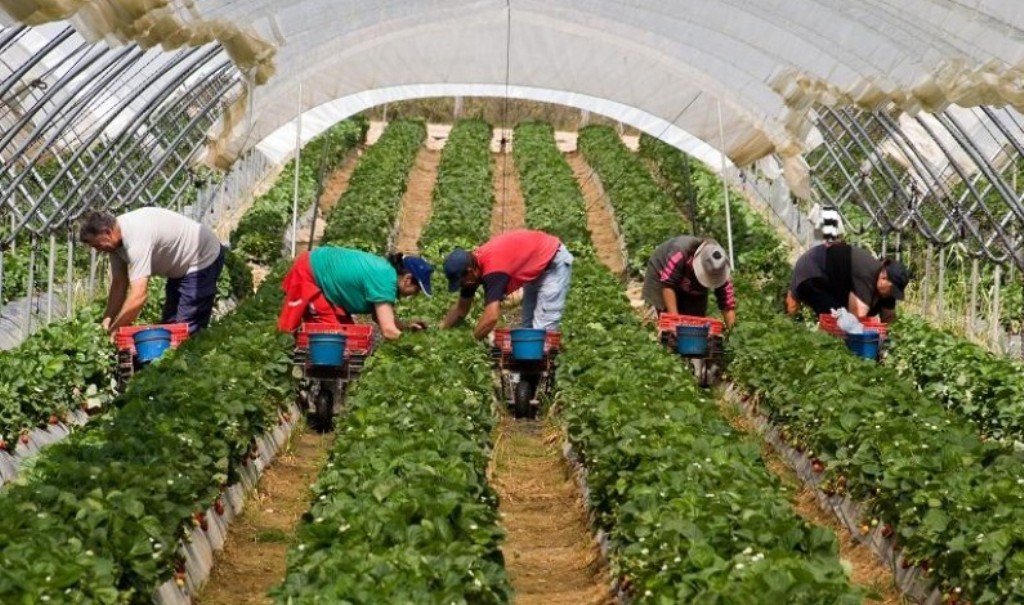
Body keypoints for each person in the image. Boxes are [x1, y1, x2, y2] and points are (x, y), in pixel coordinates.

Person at [79, 207, 226, 335]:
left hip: (201, 258)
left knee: (184, 329)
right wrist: (107, 320)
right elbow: (119, 284)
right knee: (170, 326)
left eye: (97, 245)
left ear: (107, 232)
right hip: (180, 267)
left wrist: (116, 329)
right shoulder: (114, 244)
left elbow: (139, 296)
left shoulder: (136, 238)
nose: (98, 250)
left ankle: (190, 362)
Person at [440, 229, 573, 340]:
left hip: (552, 262)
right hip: (536, 265)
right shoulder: (472, 269)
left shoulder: (493, 271)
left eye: (461, 282)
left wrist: (471, 341)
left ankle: (541, 368)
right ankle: (536, 363)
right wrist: (439, 331)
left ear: (470, 272)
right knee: (528, 328)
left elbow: (491, 317)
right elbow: (461, 309)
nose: (463, 285)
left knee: (541, 331)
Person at [276, 246, 433, 339]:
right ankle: (306, 378)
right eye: (416, 289)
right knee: (332, 337)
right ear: (407, 279)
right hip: (310, 274)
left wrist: (405, 328)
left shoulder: (386, 273)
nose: (415, 294)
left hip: (325, 278)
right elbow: (388, 330)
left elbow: (379, 317)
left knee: (347, 337)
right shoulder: (384, 280)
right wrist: (416, 347)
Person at [786, 241, 910, 323]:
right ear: (883, 278)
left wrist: (890, 340)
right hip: (813, 273)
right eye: (892, 291)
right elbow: (856, 320)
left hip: (829, 274)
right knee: (838, 321)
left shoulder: (886, 287)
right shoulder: (867, 276)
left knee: (839, 318)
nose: (891, 295)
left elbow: (889, 318)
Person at [642, 236, 736, 328]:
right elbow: (668, 286)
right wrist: (674, 323)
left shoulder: (721, 269)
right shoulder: (679, 252)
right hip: (661, 274)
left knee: (694, 322)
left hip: (689, 283)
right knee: (664, 319)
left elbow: (727, 303)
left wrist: (732, 334)